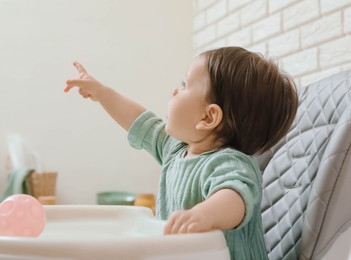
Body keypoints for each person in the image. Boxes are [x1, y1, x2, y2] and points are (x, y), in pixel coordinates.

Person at [64, 46, 298, 259]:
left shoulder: (229, 163)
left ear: (208, 117)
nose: (175, 91)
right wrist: (102, 93)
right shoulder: (175, 149)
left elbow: (235, 198)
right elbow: (139, 121)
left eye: (185, 85)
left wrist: (203, 215)